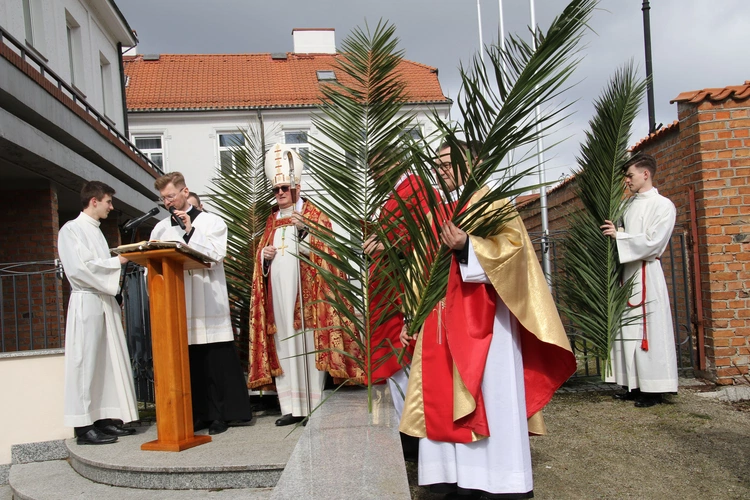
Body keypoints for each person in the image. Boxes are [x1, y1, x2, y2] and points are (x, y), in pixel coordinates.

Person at [399, 142, 577, 499]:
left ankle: (499, 481)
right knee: (442, 398)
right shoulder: (438, 211)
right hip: (439, 327)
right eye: (436, 164)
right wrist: (412, 316)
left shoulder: (491, 203)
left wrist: (468, 245)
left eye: (447, 163)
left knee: (492, 397)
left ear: (470, 164)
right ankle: (448, 478)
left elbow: (514, 253)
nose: (440, 170)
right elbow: (420, 267)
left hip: (488, 327)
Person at [249, 144, 364, 426]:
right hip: (278, 296)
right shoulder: (271, 219)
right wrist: (262, 258)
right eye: (276, 190)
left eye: (285, 189)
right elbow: (264, 253)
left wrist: (304, 232)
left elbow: (329, 252)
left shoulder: (314, 215)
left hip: (308, 297)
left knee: (306, 345)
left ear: (297, 187)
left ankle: (313, 405)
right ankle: (291, 407)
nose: (280, 194)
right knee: (283, 345)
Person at [150, 172, 252, 435]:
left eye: (171, 196)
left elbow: (216, 255)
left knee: (214, 362)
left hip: (208, 300)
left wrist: (189, 231)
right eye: (163, 199)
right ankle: (197, 414)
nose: (168, 202)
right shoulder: (161, 228)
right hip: (180, 303)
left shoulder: (211, 221)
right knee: (190, 364)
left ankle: (221, 415)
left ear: (185, 192)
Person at [58, 181, 139, 445]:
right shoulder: (71, 230)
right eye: (108, 202)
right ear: (94, 201)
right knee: (86, 362)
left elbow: (97, 265)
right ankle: (83, 427)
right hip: (87, 302)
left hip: (103, 301)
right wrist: (119, 260)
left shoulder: (96, 231)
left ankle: (104, 418)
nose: (111, 207)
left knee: (106, 362)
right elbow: (80, 269)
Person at [601, 153, 678, 408]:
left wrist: (620, 237)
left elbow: (654, 242)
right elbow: (624, 233)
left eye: (630, 175)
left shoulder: (663, 205)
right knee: (628, 331)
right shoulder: (628, 205)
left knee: (650, 331)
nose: (627, 181)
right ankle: (632, 385)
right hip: (627, 274)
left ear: (646, 174)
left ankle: (654, 389)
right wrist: (618, 233)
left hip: (647, 273)